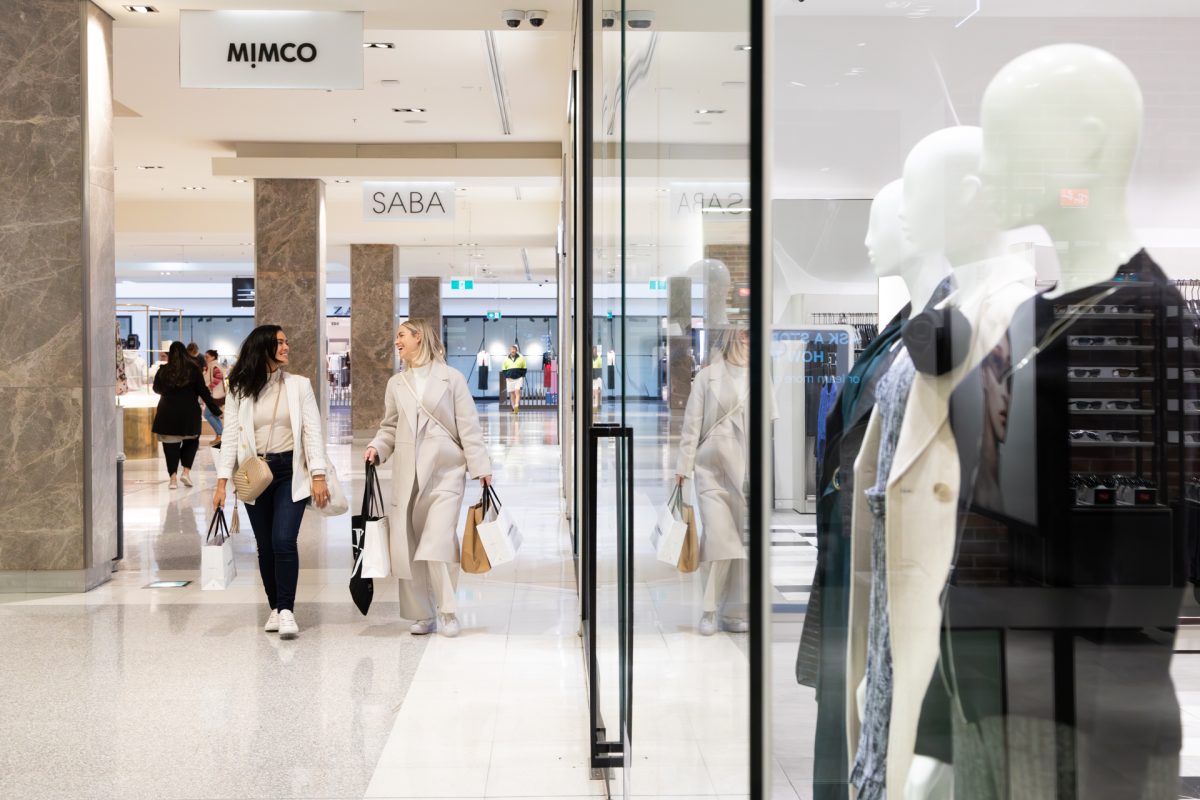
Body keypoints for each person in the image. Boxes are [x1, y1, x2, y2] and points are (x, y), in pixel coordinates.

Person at [364, 319, 492, 638]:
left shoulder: (452, 379)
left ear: (418, 338)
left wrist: (481, 468)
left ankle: (447, 611)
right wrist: (377, 448)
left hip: (445, 472)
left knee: (437, 543)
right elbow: (390, 427)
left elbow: (469, 427)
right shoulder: (397, 383)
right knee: (409, 546)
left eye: (401, 336)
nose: (397, 342)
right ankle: (421, 612)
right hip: (409, 474)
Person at [212, 325, 330, 640]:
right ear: (263, 347)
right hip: (255, 475)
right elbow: (232, 438)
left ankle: (288, 609)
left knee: (283, 541)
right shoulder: (238, 389)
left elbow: (312, 431)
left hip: (290, 471)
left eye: (286, 342)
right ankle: (275, 607)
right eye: (280, 342)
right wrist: (222, 482)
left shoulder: (299, 386)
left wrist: (318, 474)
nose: (287, 347)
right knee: (265, 546)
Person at [676, 326, 750, 636]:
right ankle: (708, 609)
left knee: (739, 544)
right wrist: (684, 468)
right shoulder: (708, 376)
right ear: (733, 336)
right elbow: (691, 425)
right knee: (720, 539)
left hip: (744, 469)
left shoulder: (760, 375)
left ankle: (732, 609)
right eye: (744, 334)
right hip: (710, 469)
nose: (749, 339)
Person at [152, 341, 222, 490]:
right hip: (189, 414)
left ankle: (172, 479)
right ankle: (186, 472)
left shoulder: (163, 370)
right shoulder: (193, 369)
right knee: (191, 442)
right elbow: (203, 391)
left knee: (170, 447)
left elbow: (156, 389)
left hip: (167, 415)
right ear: (185, 352)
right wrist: (216, 410)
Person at [972, 332, 1012, 512]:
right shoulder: (981, 491)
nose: (1006, 395)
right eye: (996, 363)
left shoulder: (992, 483)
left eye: (1009, 374)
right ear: (982, 373)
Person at [203, 349, 225, 448]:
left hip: (214, 395)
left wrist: (209, 387)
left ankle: (220, 434)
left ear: (213, 357)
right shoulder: (212, 366)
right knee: (213, 414)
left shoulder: (214, 366)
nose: (205, 358)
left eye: (207, 357)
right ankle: (221, 435)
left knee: (207, 414)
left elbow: (219, 376)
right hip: (215, 395)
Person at [501, 344, 527, 413]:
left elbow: (524, 367)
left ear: (516, 350)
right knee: (512, 393)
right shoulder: (506, 358)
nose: (513, 350)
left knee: (517, 392)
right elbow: (503, 368)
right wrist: (506, 376)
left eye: (514, 349)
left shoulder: (521, 357)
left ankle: (516, 406)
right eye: (512, 349)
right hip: (509, 379)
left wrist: (522, 375)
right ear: (510, 350)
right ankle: (513, 407)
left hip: (518, 378)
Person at [592, 345, 603, 409]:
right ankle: (595, 403)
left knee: (598, 390)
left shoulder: (599, 359)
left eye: (595, 351)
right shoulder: (590, 358)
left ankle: (598, 403)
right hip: (593, 377)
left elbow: (600, 369)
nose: (594, 352)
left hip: (598, 377)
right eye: (593, 351)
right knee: (594, 391)